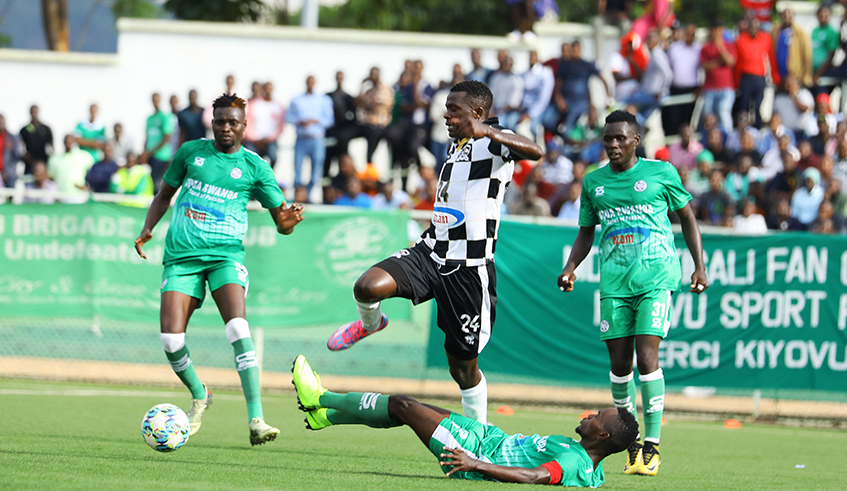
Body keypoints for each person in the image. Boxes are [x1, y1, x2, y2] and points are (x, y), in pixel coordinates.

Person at [326, 81, 543, 424]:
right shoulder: (454, 146)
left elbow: (534, 151)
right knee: (366, 286)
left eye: (454, 110)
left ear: (477, 114)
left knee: (462, 368)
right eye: (446, 108)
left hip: (469, 268)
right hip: (430, 253)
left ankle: (480, 437)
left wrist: (486, 130)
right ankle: (370, 324)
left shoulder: (495, 140)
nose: (445, 115)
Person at [133, 93, 305, 446]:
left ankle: (256, 419)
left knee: (238, 328)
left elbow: (282, 221)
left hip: (225, 257)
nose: (225, 127)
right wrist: (148, 226)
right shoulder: (190, 152)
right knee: (170, 339)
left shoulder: (256, 167)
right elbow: (165, 194)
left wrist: (287, 222)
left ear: (244, 126)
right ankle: (200, 394)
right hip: (182, 257)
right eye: (220, 121)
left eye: (233, 122)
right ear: (211, 123)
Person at [557, 110, 708, 476]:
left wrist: (699, 265)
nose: (612, 144)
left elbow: (687, 217)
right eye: (607, 138)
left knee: (646, 355)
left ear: (635, 140)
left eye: (619, 138)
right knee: (620, 365)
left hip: (656, 277)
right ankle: (632, 441)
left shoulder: (661, 173)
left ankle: (653, 445)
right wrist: (570, 266)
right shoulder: (594, 184)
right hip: (614, 283)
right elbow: (586, 232)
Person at [291, 354, 639, 487]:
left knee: (402, 406)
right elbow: (593, 475)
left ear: (604, 434)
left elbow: (534, 476)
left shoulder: (571, 461)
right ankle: (328, 418)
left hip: (474, 453)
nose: (591, 414)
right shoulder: (590, 463)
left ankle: (320, 397)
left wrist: (474, 464)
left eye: (598, 417)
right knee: (413, 408)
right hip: (487, 435)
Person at [286, 75, 335, 194]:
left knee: (316, 170)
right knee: (297, 169)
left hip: (317, 139)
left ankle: (309, 194)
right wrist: (300, 121)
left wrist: (316, 121)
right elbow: (288, 117)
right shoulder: (296, 99)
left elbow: (329, 120)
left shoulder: (323, 100)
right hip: (301, 138)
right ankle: (299, 194)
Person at [735, 17, 780, 128]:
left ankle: (757, 129)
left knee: (758, 106)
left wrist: (775, 76)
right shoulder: (740, 40)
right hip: (746, 78)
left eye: (756, 27)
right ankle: (743, 130)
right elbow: (738, 63)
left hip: (760, 78)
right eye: (751, 27)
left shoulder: (765, 38)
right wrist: (736, 82)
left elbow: (771, 58)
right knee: (744, 106)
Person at [623, 30, 673, 125]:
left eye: (650, 40)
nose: (647, 42)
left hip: (652, 93)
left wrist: (662, 91)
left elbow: (668, 74)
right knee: (642, 119)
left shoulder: (657, 55)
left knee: (624, 102)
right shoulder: (654, 54)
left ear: (656, 41)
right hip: (652, 93)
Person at [699, 19, 737, 132]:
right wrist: (719, 62)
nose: (716, 32)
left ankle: (727, 141)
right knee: (708, 117)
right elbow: (705, 66)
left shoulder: (729, 45)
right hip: (710, 88)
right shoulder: (705, 47)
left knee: (723, 113)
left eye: (719, 29)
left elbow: (730, 61)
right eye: (714, 29)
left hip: (726, 87)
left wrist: (720, 46)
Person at [664, 24, 701, 136]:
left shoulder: (698, 49)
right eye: (688, 33)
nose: (690, 36)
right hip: (675, 88)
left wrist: (700, 88)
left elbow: (702, 69)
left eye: (692, 34)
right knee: (672, 119)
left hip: (691, 89)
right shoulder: (675, 48)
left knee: (686, 120)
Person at [356, 67, 395, 164]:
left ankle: (370, 167)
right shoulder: (368, 89)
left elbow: (377, 105)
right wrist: (362, 85)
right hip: (366, 124)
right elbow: (358, 103)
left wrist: (368, 104)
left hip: (379, 125)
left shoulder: (385, 89)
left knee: (371, 149)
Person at [324, 71, 359, 177]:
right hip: (330, 136)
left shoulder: (348, 98)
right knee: (326, 165)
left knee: (342, 164)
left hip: (342, 140)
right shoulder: (327, 97)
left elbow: (354, 119)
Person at [244, 82, 286, 168]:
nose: (267, 91)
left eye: (269, 88)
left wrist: (270, 138)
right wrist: (255, 139)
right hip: (254, 141)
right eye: (265, 88)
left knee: (273, 157)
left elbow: (280, 125)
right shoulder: (254, 104)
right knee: (250, 159)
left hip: (270, 141)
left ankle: (268, 175)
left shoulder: (278, 106)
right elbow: (247, 122)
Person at [47, 134, 95, 204]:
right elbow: (51, 178)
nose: (68, 143)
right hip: (61, 197)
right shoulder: (55, 159)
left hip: (78, 197)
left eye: (71, 141)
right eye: (66, 141)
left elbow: (94, 174)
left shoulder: (85, 157)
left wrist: (87, 186)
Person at [143, 92, 175, 193]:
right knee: (149, 183)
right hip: (151, 156)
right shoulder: (149, 118)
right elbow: (147, 137)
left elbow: (167, 138)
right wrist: (145, 152)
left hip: (161, 156)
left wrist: (151, 151)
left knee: (157, 184)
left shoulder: (164, 117)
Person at [772, 8, 812, 88]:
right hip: (779, 75)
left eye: (789, 16)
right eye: (784, 16)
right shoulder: (775, 31)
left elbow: (807, 55)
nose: (786, 18)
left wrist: (806, 75)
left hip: (795, 75)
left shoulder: (800, 33)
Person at [520, 51, 555, 141]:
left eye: (534, 56)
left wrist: (530, 114)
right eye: (530, 56)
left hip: (540, 109)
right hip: (524, 109)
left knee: (533, 128)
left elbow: (544, 99)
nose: (531, 58)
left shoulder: (545, 73)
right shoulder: (525, 74)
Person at [487, 55, 524, 131]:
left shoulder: (517, 80)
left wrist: (496, 113)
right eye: (505, 63)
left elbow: (512, 104)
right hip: (497, 110)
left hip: (511, 111)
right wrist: (491, 112)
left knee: (509, 124)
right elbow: (491, 96)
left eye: (508, 64)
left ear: (512, 65)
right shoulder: (496, 77)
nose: (506, 66)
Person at [811, 5, 841, 92]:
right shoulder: (814, 30)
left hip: (823, 73)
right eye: (821, 14)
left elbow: (831, 55)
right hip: (812, 72)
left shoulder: (832, 32)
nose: (823, 16)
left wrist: (819, 73)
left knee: (822, 97)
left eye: (826, 14)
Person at [19, 105, 54, 174]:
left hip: (43, 165)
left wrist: (49, 160)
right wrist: (26, 158)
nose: (34, 114)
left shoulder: (46, 129)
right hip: (30, 166)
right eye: (32, 112)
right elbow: (20, 147)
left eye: (35, 111)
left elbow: (51, 147)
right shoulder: (24, 130)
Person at [0, 114, 21, 188]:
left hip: (9, 174)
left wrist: (7, 172)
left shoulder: (12, 137)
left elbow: (17, 155)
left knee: (10, 195)